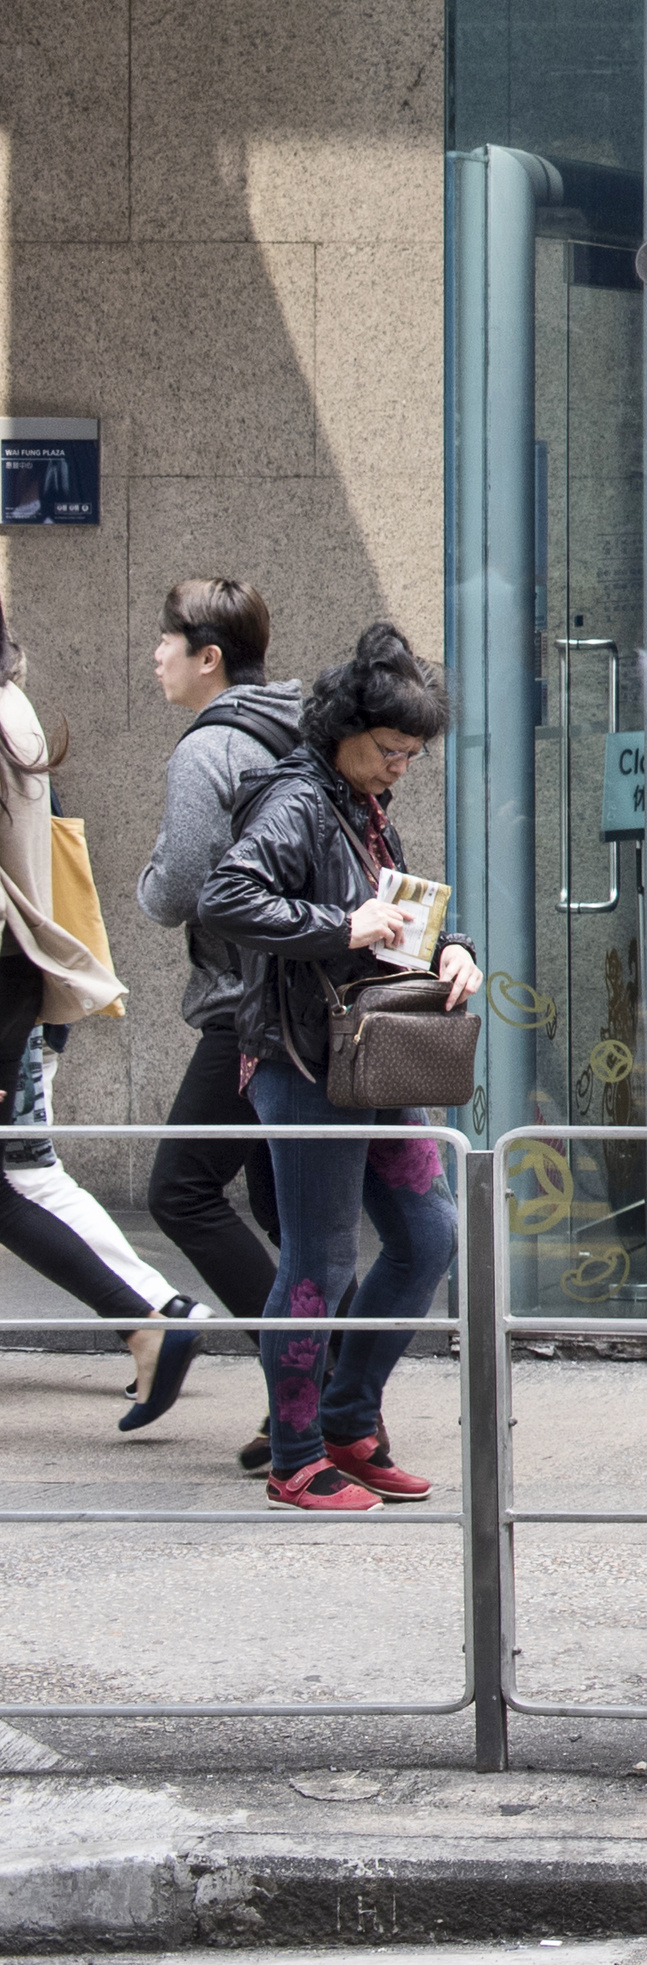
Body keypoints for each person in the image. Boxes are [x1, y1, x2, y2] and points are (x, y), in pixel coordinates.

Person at [196, 623, 478, 1514]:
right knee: (317, 1259)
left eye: (412, 753)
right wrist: (340, 927)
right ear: (344, 729)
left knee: (429, 1235)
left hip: (366, 1054)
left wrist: (454, 947)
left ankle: (349, 1422)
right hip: (301, 1058)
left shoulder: (357, 800)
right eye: (391, 748)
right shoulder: (295, 800)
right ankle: (294, 1457)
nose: (401, 766)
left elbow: (396, 910)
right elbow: (224, 895)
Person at [0, 604, 203, 1426]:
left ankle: (149, 1315)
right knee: (23, 1173)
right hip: (19, 981)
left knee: (20, 1179)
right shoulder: (14, 707)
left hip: (9, 982)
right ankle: (151, 1315)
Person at [135, 576, 293, 1435]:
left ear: (208, 656)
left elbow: (177, 889)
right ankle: (329, 1397)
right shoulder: (295, 725)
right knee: (286, 1210)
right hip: (303, 997)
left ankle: (310, 1377)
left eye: (166, 641)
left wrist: (146, 877)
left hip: (246, 1006)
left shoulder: (209, 749)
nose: (154, 655)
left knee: (182, 1189)